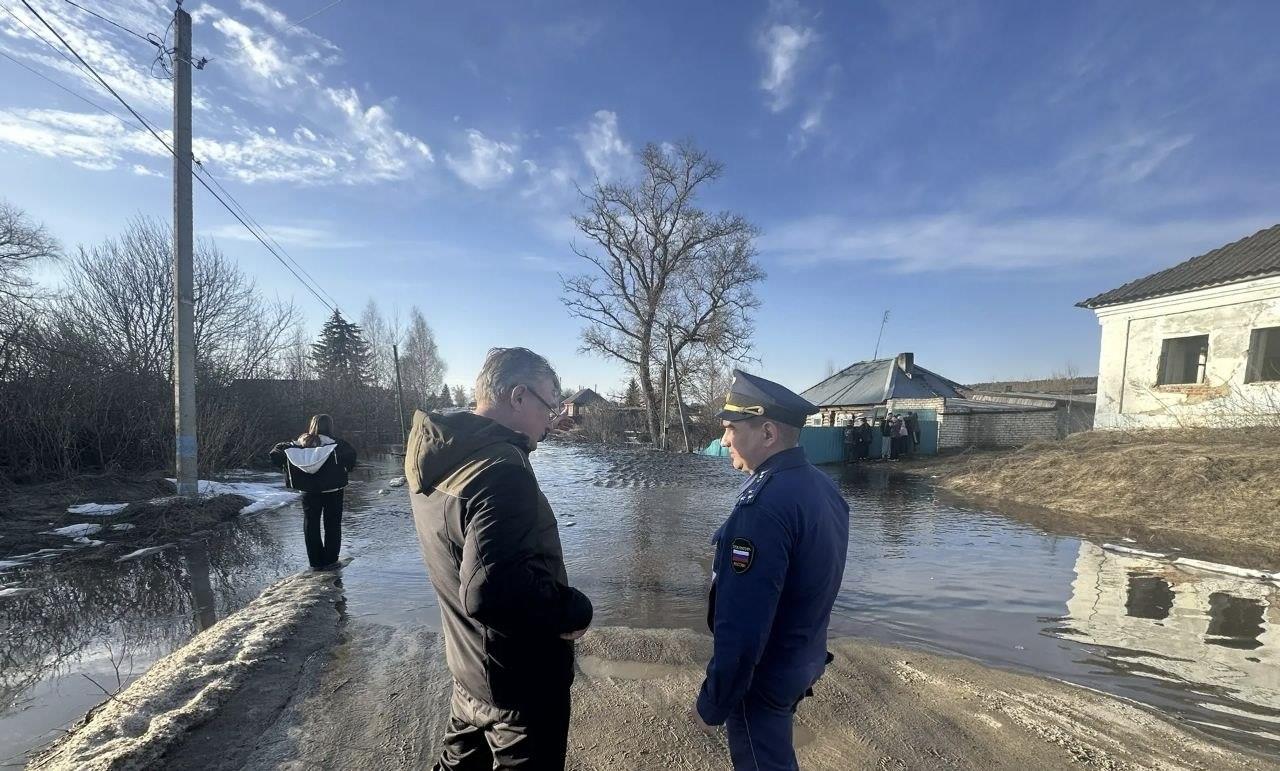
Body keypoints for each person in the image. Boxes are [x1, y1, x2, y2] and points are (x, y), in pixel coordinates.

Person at [406, 347, 592, 770]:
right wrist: (573, 610)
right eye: (549, 405)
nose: (550, 420)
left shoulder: (443, 456)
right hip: (519, 686)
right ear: (518, 396)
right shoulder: (502, 470)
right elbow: (490, 590)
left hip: (470, 669)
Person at [694, 370, 850, 770]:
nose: (724, 440)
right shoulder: (822, 487)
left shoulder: (763, 507)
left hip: (764, 676)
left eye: (731, 428)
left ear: (767, 433)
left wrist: (715, 700)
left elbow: (742, 623)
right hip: (802, 658)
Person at [269, 413, 357, 571]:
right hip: (333, 489)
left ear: (312, 425)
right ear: (330, 426)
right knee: (332, 524)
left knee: (311, 524)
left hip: (308, 490)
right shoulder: (337, 445)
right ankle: (331, 560)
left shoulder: (298, 444)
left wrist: (287, 466)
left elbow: (275, 454)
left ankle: (315, 562)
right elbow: (351, 460)